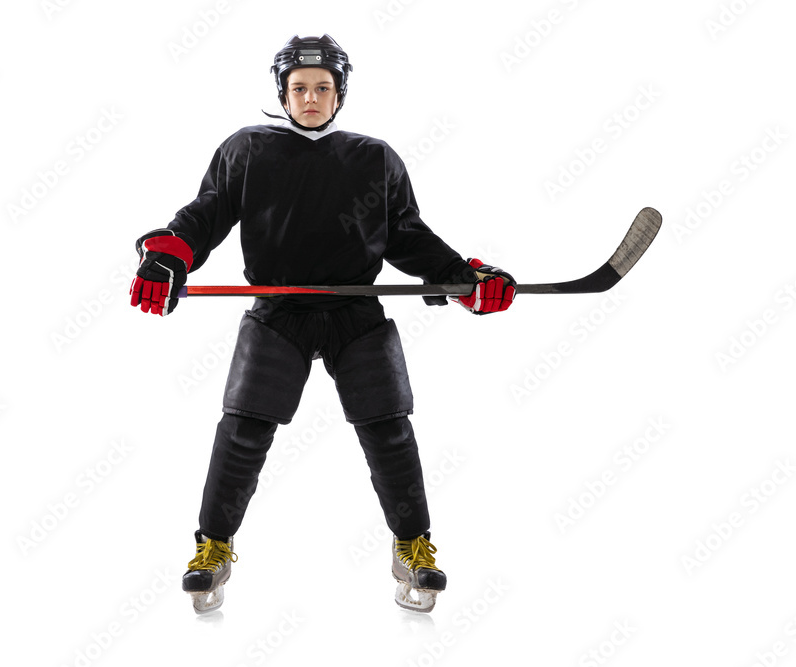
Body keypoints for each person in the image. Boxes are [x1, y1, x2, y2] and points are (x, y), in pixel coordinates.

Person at [129, 34, 515, 614]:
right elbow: (204, 213)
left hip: (354, 311)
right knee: (244, 430)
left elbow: (406, 234)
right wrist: (168, 255)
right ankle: (213, 545)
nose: (311, 98)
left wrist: (463, 277)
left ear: (340, 93)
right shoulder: (247, 149)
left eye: (323, 88)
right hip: (279, 312)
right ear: (283, 92)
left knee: (389, 428)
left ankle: (412, 544)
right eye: (300, 88)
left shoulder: (375, 157)